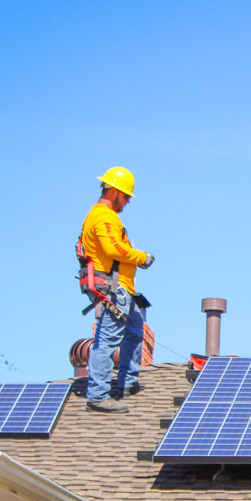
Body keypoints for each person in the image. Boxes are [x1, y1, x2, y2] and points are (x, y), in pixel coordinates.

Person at [80, 167, 153, 414]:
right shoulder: (103, 217)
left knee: (134, 330)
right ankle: (98, 396)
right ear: (113, 192)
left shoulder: (106, 216)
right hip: (113, 288)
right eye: (126, 196)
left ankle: (127, 382)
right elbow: (113, 249)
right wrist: (141, 257)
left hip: (122, 289)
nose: (128, 201)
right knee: (107, 339)